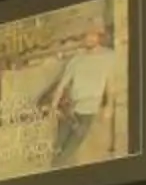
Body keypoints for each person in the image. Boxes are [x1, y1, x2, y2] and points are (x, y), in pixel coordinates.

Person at [36, 16, 123, 170]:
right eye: (86, 35)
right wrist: (53, 107)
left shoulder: (108, 57)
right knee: (57, 149)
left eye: (92, 35)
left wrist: (109, 106)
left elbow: (111, 83)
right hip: (70, 110)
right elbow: (62, 85)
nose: (88, 38)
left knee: (68, 151)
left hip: (88, 111)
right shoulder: (76, 59)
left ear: (99, 36)